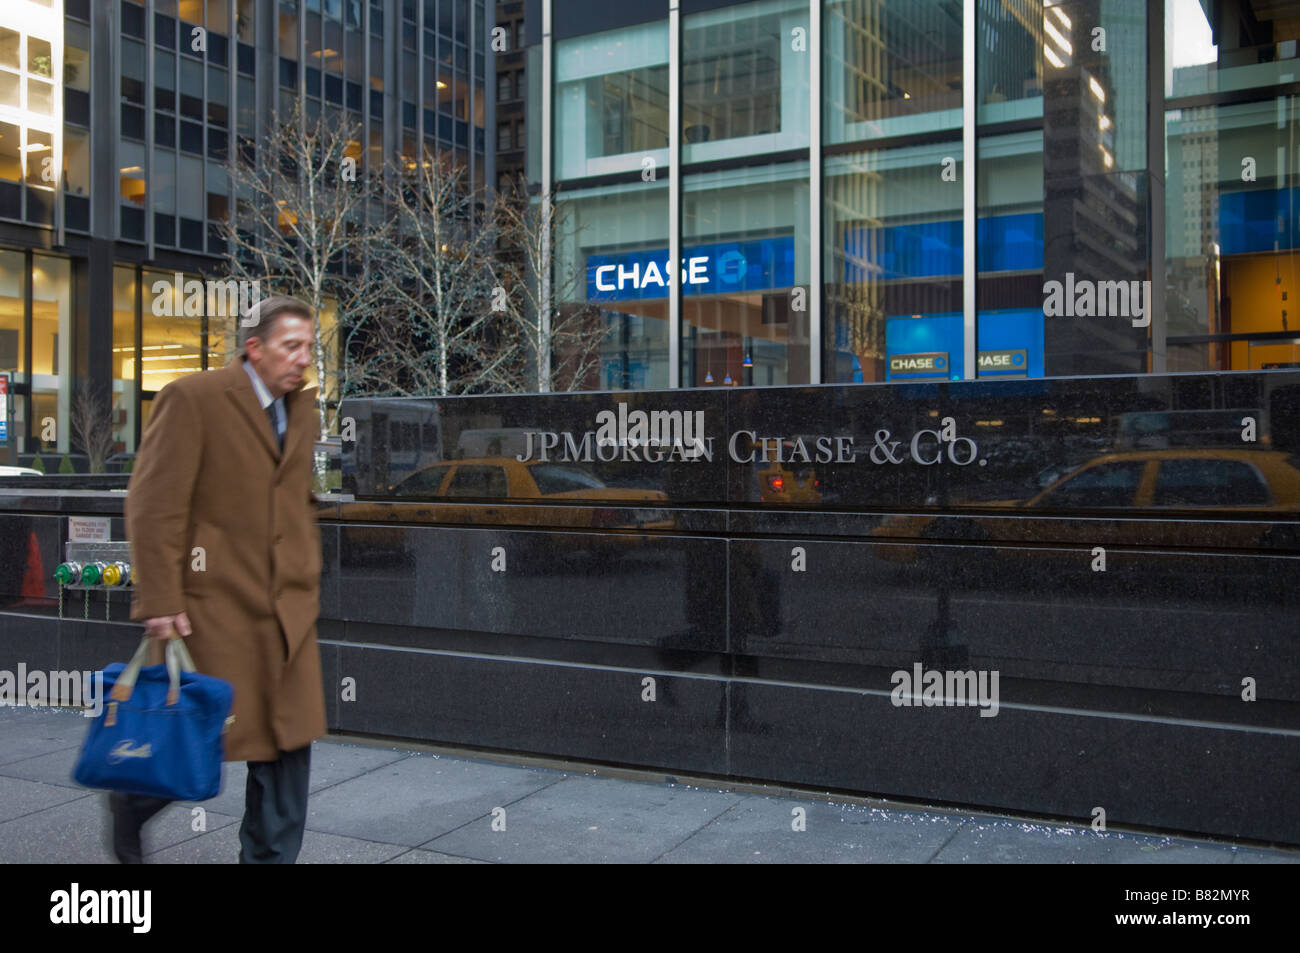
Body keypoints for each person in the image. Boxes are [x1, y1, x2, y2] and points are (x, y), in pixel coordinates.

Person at [110, 295, 327, 864]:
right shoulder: (194, 398)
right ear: (254, 348)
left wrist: (307, 567)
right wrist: (159, 598)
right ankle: (131, 803)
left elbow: (293, 500)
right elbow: (154, 504)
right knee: (193, 739)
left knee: (287, 747)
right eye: (291, 346)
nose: (303, 358)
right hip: (213, 611)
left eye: (309, 347)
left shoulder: (303, 410)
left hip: (289, 615)